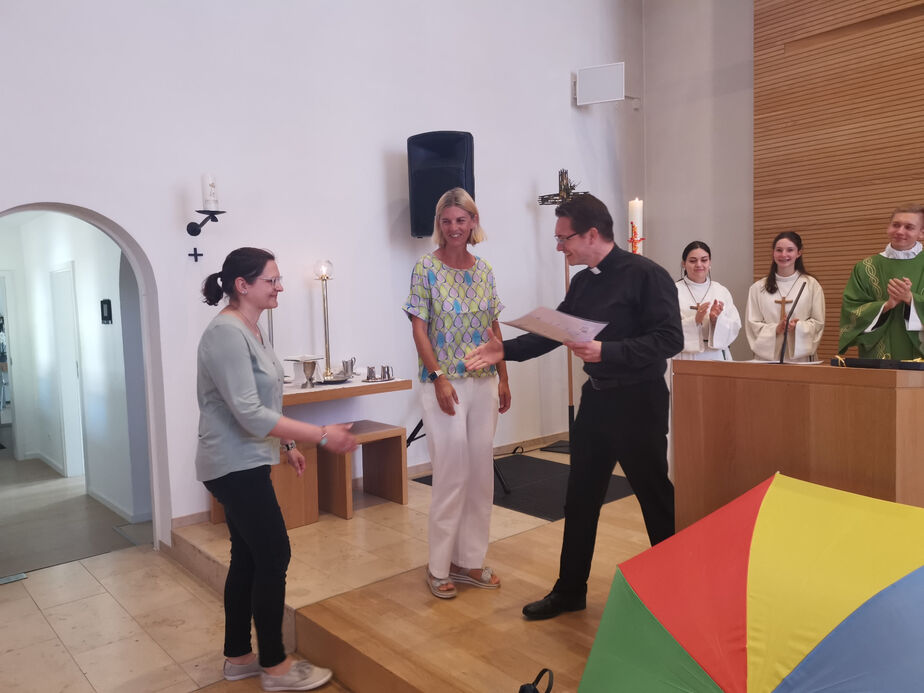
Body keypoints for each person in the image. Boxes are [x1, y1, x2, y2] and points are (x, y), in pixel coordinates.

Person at [465, 193, 683, 620]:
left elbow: (669, 338)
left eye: (563, 238)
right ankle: (570, 591)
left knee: (655, 498)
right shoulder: (583, 283)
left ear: (592, 235)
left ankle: (678, 592)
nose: (559, 247)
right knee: (580, 499)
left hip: (639, 402)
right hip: (597, 402)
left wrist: (608, 351)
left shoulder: (647, 275)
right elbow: (554, 331)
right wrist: (504, 351)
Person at [196, 247, 357, 691]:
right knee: (273, 554)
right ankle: (275, 666)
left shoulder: (253, 328)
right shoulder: (226, 333)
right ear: (242, 285)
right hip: (232, 463)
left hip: (248, 459)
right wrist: (319, 435)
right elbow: (248, 413)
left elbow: (265, 398)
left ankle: (239, 658)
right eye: (272, 280)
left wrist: (287, 444)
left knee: (249, 556)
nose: (280, 287)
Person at [403, 187, 511, 600]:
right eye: (446, 221)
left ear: (472, 222)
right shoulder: (425, 269)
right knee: (451, 473)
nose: (454, 228)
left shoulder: (484, 271)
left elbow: (494, 329)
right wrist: (438, 377)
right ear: (439, 224)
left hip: (484, 382)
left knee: (481, 473)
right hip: (443, 383)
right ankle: (438, 566)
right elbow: (419, 329)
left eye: (461, 220)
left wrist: (504, 377)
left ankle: (470, 560)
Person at [839, 204, 924, 359]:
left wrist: (911, 300)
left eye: (909, 227)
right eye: (896, 225)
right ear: (888, 227)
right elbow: (851, 311)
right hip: (877, 357)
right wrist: (886, 306)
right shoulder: (865, 268)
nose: (900, 231)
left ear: (921, 233)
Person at [745, 231, 825, 362]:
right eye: (779, 250)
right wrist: (776, 329)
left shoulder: (811, 285)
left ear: (799, 253)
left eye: (790, 250)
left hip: (800, 359)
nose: (783, 255)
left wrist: (797, 327)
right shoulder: (758, 288)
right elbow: (752, 325)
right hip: (767, 359)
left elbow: (818, 323)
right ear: (773, 253)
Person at [674, 241, 741, 361]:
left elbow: (734, 326)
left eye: (704, 260)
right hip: (685, 357)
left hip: (716, 356)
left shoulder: (721, 291)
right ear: (684, 264)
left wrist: (716, 320)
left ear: (710, 262)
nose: (699, 265)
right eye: (693, 261)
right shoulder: (673, 290)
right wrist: (694, 320)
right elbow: (665, 328)